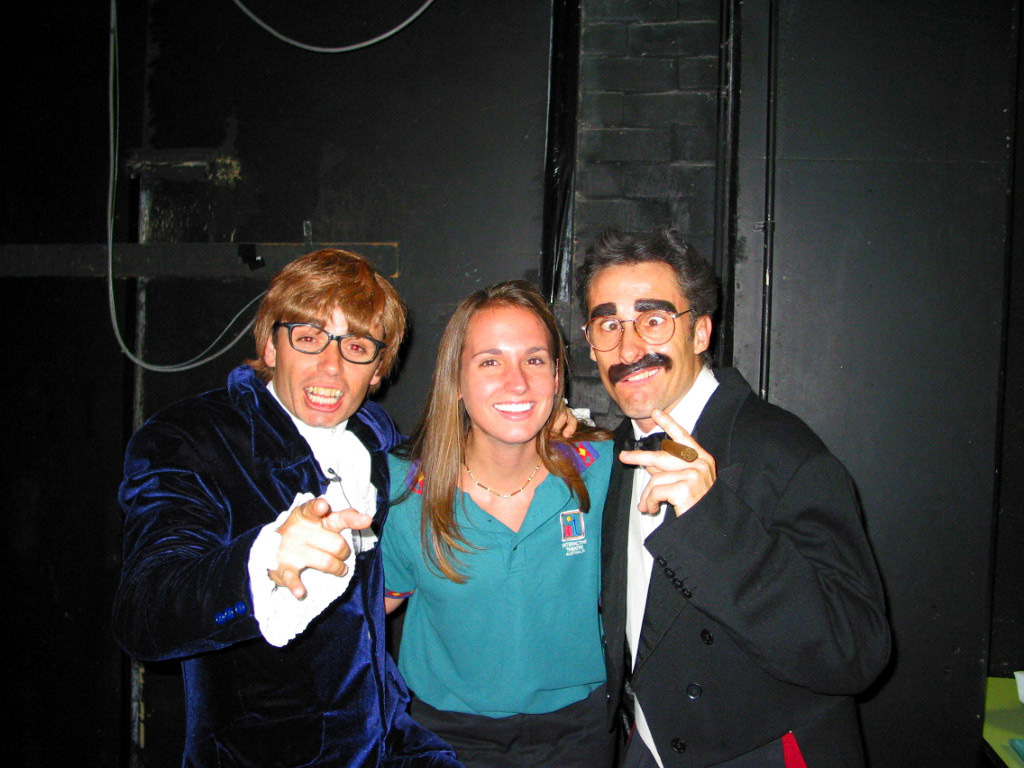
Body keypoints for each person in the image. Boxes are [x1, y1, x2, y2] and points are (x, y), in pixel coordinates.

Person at [113, 249, 461, 768]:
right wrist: (264, 559)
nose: (331, 366)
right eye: (308, 337)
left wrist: (554, 436)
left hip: (390, 748)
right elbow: (145, 614)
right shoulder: (191, 440)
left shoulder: (382, 451)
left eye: (357, 346)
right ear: (272, 347)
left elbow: (476, 453)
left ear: (377, 371)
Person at [577, 229, 891, 768]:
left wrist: (713, 519)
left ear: (700, 332)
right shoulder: (620, 448)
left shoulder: (783, 451)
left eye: (652, 320)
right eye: (609, 325)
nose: (628, 349)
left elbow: (856, 652)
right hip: (649, 745)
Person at [379, 280, 617, 768]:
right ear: (457, 382)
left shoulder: (605, 469)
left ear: (556, 377)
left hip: (580, 731)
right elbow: (367, 610)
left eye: (534, 360)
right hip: (447, 736)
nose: (517, 383)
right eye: (490, 361)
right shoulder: (402, 490)